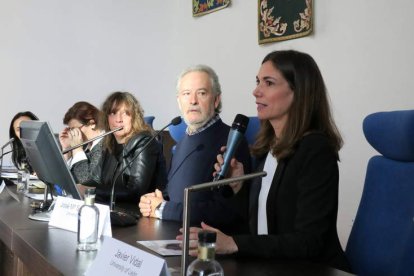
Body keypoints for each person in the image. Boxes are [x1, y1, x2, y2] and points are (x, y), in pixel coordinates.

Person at [178, 50, 351, 272]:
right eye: (258, 81)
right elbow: (260, 226)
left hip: (311, 269)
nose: (256, 91)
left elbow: (309, 242)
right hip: (270, 266)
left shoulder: (315, 150)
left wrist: (232, 243)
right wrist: (239, 187)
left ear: (299, 91)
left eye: (268, 83)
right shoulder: (266, 148)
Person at [138, 65, 251, 234]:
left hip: (206, 245)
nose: (193, 101)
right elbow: (173, 191)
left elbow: (224, 212)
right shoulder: (183, 140)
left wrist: (163, 209)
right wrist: (152, 201)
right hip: (169, 233)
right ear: (179, 101)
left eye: (202, 93)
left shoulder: (232, 142)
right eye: (186, 94)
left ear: (216, 99)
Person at [79, 92, 167, 212]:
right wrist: (77, 185)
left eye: (125, 113)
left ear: (134, 117)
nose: (118, 120)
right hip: (114, 211)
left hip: (140, 217)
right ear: (106, 117)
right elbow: (96, 179)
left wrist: (89, 190)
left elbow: (135, 192)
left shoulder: (145, 143)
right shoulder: (109, 142)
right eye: (113, 113)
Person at [59, 101, 105, 184]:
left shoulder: (105, 146)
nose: (72, 134)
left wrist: (77, 149)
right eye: (70, 129)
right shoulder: (86, 144)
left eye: (74, 129)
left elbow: (85, 181)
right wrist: (67, 149)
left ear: (92, 123)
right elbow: (67, 180)